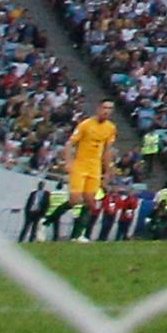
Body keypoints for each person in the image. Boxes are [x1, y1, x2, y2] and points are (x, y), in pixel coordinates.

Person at [44, 98, 118, 242]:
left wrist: (108, 171)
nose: (106, 111)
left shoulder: (111, 128)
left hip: (94, 167)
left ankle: (78, 235)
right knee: (75, 200)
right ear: (98, 108)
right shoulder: (86, 124)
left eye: (110, 109)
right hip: (80, 165)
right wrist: (68, 162)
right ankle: (46, 221)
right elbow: (69, 144)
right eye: (104, 107)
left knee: (91, 202)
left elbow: (108, 151)